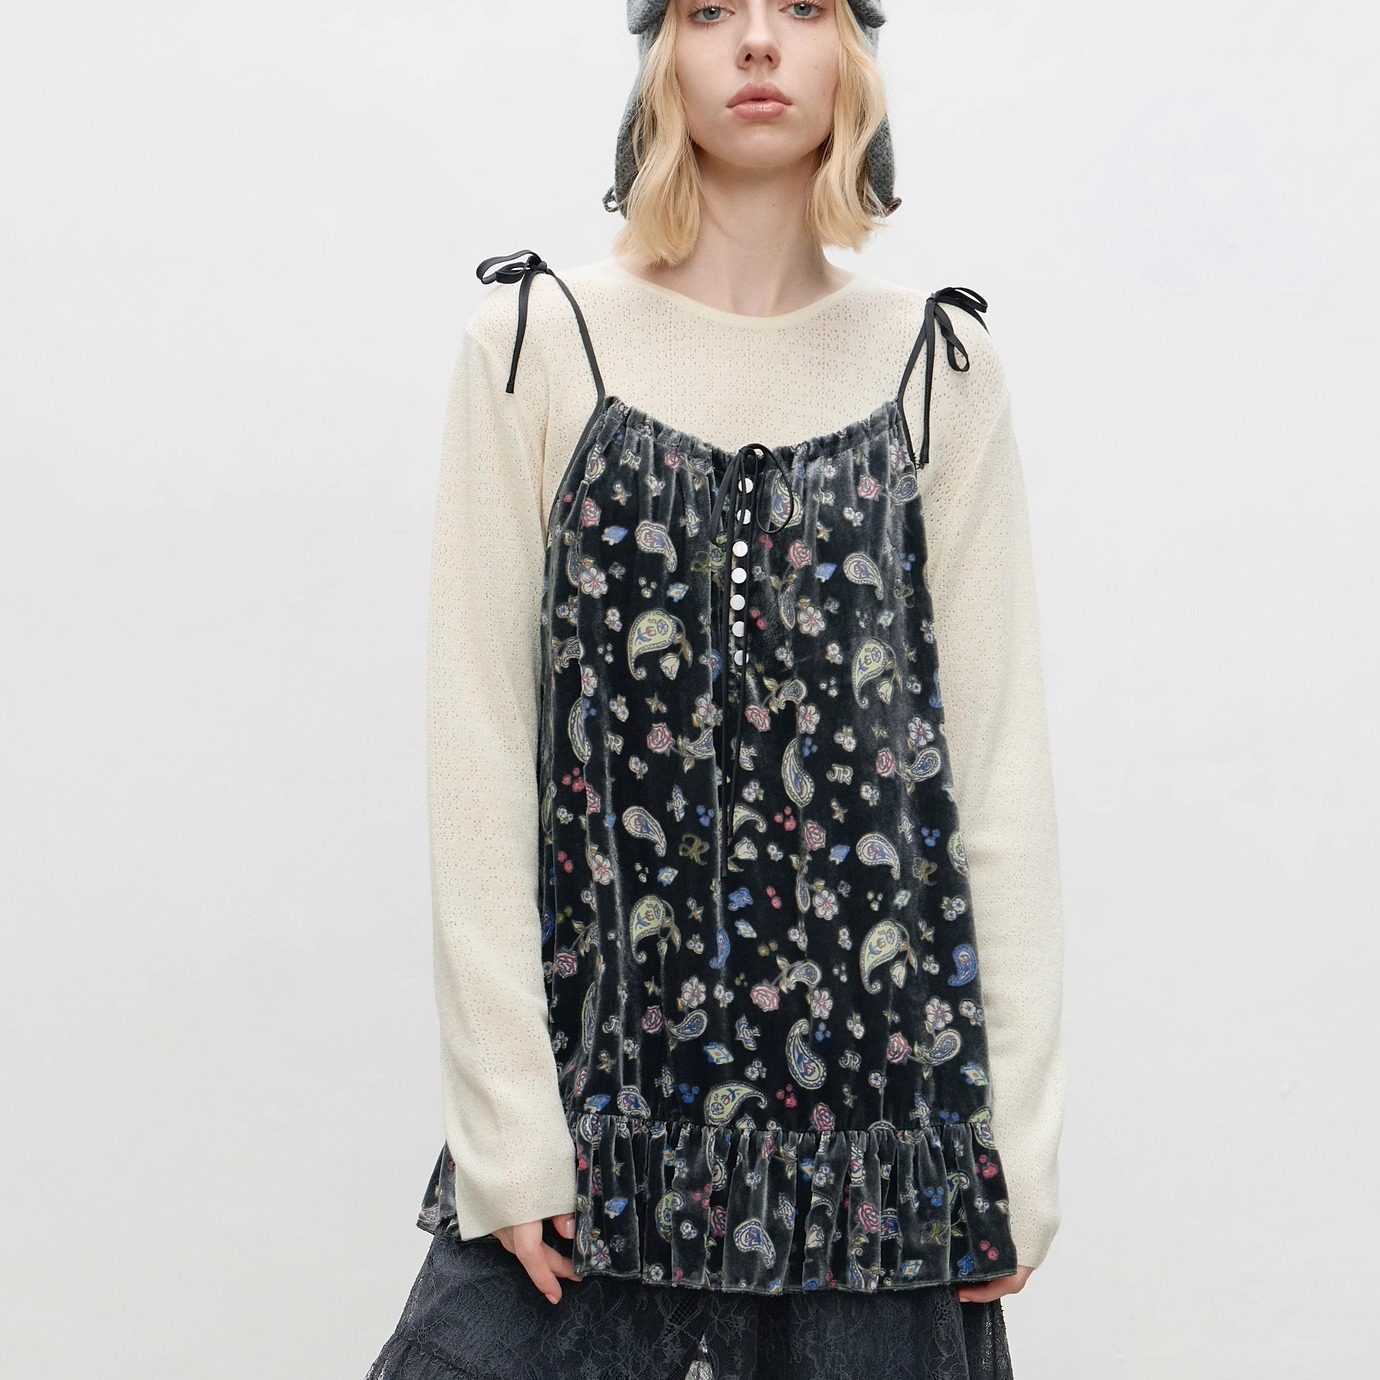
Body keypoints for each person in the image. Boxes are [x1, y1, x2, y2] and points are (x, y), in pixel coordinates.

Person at [367, 3, 1066, 1377]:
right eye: (709, 9)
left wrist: (1018, 1159)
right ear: (660, 53)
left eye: (801, 7)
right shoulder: (535, 345)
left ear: (852, 52)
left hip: (884, 1165)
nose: (756, 43)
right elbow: (478, 752)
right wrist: (510, 1132)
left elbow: (996, 783)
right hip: (597, 1148)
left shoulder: (941, 373)